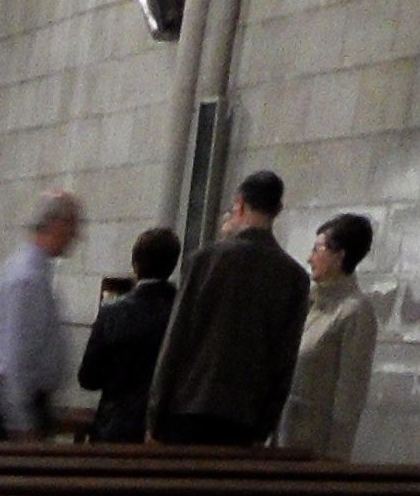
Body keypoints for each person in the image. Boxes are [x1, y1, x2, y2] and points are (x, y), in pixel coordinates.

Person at [147, 167, 309, 447]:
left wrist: (155, 413)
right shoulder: (294, 277)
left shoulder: (204, 260)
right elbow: (284, 358)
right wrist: (266, 423)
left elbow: (176, 340)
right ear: (278, 209)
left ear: (240, 203)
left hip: (188, 408)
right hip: (245, 418)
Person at [0, 190, 82, 434]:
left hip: (23, 401)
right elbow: (16, 356)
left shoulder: (34, 271)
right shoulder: (26, 278)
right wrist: (22, 423)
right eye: (73, 224)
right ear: (55, 224)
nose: (77, 235)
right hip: (12, 408)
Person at [279, 210, 380, 458]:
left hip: (313, 446)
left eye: (317, 249)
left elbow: (350, 394)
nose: (309, 258)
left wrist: (335, 457)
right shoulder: (308, 302)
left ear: (339, 255)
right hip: (283, 437)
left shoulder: (355, 312)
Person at [77, 224, 181, 441]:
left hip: (116, 428)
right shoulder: (183, 311)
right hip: (165, 431)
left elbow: (88, 378)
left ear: (136, 265)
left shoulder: (112, 312)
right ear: (172, 265)